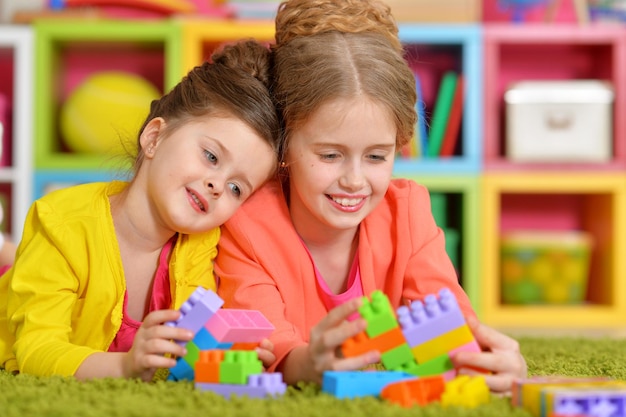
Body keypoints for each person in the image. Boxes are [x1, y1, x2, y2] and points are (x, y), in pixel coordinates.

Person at [215, 0, 527, 394]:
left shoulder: (408, 213)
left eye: (377, 156)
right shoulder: (247, 225)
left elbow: (449, 325)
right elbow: (263, 340)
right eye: (330, 155)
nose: (355, 180)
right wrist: (305, 363)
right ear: (284, 143)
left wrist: (488, 359)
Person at [0, 39, 280, 381]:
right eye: (211, 156)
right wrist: (126, 365)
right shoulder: (62, 225)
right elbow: (36, 353)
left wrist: (234, 355)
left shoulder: (201, 244)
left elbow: (191, 347)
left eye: (237, 187)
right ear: (154, 137)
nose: (217, 185)